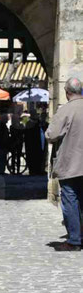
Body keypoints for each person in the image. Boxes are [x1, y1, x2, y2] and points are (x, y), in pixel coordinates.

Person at [45, 77, 83, 251]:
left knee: (70, 202)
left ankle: (75, 240)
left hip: (71, 164)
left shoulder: (66, 110)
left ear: (67, 92)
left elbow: (51, 134)